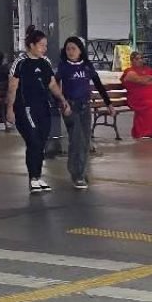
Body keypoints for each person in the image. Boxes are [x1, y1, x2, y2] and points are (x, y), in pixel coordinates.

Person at [6, 26, 70, 193]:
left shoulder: (45, 62)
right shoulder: (20, 63)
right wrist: (10, 109)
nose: (44, 48)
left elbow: (52, 83)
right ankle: (33, 178)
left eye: (45, 45)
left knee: (41, 142)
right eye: (41, 45)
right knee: (33, 141)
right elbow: (12, 87)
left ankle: (38, 176)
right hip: (25, 108)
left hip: (43, 107)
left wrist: (62, 99)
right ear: (32, 45)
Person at [55, 37, 111, 189]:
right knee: (77, 139)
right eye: (68, 49)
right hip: (70, 107)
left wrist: (109, 104)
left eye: (73, 48)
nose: (70, 52)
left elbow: (98, 84)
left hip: (85, 107)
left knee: (85, 141)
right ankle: (77, 174)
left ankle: (81, 170)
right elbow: (53, 85)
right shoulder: (63, 67)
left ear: (80, 50)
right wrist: (62, 103)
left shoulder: (87, 66)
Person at [121, 52, 152, 139]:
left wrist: (146, 79)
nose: (140, 60)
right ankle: (149, 132)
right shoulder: (129, 71)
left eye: (141, 58)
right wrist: (148, 78)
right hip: (138, 99)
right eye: (137, 59)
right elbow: (138, 80)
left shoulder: (148, 69)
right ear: (132, 60)